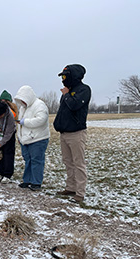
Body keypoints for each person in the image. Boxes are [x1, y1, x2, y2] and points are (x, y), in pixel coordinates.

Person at [53, 64, 91, 203]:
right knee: (68, 162)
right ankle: (71, 187)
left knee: (78, 163)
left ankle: (80, 193)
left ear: (73, 76)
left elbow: (75, 105)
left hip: (76, 133)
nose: (63, 79)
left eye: (65, 76)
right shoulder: (67, 92)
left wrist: (67, 95)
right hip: (64, 133)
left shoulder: (83, 90)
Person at [14, 85, 50, 191]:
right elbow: (19, 123)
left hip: (38, 139)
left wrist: (25, 122)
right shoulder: (23, 108)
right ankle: (27, 180)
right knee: (28, 160)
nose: (22, 102)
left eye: (23, 99)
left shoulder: (39, 105)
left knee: (37, 160)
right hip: (25, 140)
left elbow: (41, 120)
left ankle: (36, 182)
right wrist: (19, 137)